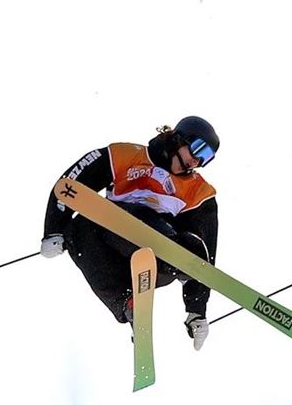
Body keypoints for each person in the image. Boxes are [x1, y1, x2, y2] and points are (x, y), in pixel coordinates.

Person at [41, 116, 220, 350]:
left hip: (162, 257)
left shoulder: (198, 193)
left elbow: (208, 244)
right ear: (178, 138)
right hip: (113, 246)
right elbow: (71, 182)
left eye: (205, 159)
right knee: (80, 227)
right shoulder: (125, 156)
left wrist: (197, 308)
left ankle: (173, 254)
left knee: (167, 227)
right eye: (198, 149)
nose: (196, 161)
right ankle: (129, 303)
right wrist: (54, 230)